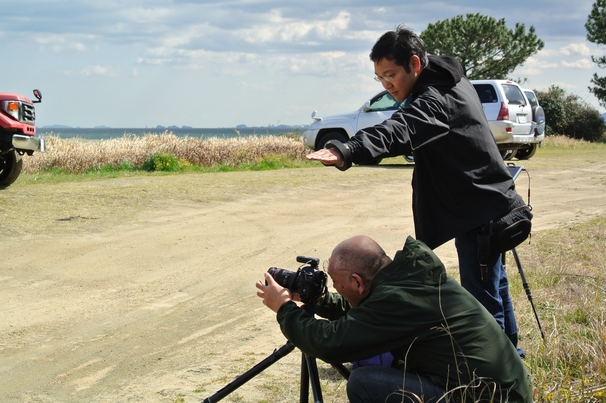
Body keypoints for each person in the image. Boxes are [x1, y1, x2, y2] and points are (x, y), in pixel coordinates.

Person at [306, 25, 529, 353]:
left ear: (414, 63)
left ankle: (494, 380)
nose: (386, 84)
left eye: (391, 75)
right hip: (491, 203)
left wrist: (349, 149)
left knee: (483, 307)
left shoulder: (434, 98)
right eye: (379, 78)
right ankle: (514, 361)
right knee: (496, 288)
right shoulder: (450, 79)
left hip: (480, 214)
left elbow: (401, 128)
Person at [256, 235, 532, 403]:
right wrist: (322, 301)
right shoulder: (406, 278)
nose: (335, 287)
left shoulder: (396, 301)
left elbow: (327, 343)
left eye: (336, 283)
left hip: (487, 398)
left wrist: (284, 309)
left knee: (363, 383)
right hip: (505, 390)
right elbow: (368, 312)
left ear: (357, 281)